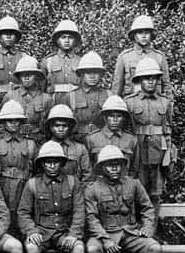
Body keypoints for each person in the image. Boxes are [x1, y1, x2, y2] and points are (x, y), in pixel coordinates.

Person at [84, 145, 162, 253]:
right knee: (92, 250)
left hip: (130, 233)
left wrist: (147, 227)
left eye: (117, 164)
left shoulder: (133, 184)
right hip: (103, 234)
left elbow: (147, 208)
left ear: (122, 165)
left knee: (155, 249)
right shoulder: (92, 189)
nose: (114, 169)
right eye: (109, 165)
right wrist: (105, 239)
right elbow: (91, 218)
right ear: (101, 167)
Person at [17, 141, 86, 253]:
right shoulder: (32, 184)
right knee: (31, 248)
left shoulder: (73, 182)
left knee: (79, 250)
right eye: (48, 162)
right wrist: (31, 232)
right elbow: (23, 212)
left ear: (61, 163)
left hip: (64, 233)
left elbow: (79, 211)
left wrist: (73, 234)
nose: (52, 166)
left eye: (56, 162)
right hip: (41, 232)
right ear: (42, 164)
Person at [124, 57, 175, 212]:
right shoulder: (130, 102)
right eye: (147, 78)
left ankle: (152, 231)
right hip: (137, 152)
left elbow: (168, 129)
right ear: (140, 80)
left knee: (155, 194)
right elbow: (126, 131)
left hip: (158, 152)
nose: (151, 81)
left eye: (154, 78)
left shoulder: (164, 102)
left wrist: (169, 154)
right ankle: (138, 230)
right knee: (136, 191)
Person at [0, 100, 38, 232]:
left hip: (24, 185)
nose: (13, 124)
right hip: (2, 186)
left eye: (17, 121)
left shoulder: (30, 144)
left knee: (24, 215)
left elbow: (37, 171)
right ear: (4, 123)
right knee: (3, 216)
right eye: (10, 121)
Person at [112, 15, 172, 98]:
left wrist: (169, 106)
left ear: (151, 35)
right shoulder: (125, 57)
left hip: (155, 104)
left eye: (147, 32)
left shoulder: (159, 57)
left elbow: (167, 86)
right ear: (134, 35)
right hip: (130, 105)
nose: (143, 36)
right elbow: (117, 88)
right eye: (140, 32)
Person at [64, 51, 112, 145]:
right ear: (81, 74)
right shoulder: (71, 96)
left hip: (102, 140)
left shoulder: (109, 95)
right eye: (88, 72)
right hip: (77, 140)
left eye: (96, 72)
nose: (92, 76)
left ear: (101, 75)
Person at [4, 55, 53, 144]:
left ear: (36, 76)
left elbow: (50, 126)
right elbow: (2, 125)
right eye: (23, 74)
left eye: (30, 74)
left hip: (38, 141)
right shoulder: (10, 97)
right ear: (19, 76)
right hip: (15, 141)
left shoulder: (46, 99)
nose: (26, 77)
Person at [0, 16, 28, 105]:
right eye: (5, 33)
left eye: (11, 33)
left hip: (20, 101)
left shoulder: (24, 57)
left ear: (16, 37)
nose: (8, 36)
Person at [86, 95, 138, 172]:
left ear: (124, 118)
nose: (115, 120)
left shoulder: (131, 139)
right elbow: (88, 168)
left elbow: (135, 168)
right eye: (111, 116)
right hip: (99, 182)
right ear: (105, 118)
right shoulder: (92, 139)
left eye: (119, 116)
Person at [44, 105, 92, 183]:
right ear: (51, 127)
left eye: (64, 126)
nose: (61, 129)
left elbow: (87, 176)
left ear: (70, 127)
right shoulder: (43, 148)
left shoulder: (80, 149)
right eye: (57, 125)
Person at [40, 20, 82, 102]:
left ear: (75, 40)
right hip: (53, 103)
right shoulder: (48, 62)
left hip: (77, 103)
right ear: (57, 40)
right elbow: (40, 89)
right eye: (63, 37)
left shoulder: (81, 62)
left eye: (70, 37)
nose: (67, 40)